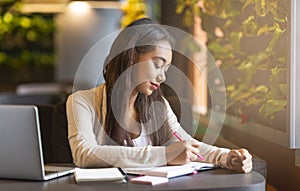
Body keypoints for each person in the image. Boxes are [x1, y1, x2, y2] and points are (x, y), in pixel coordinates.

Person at [66, 18, 253, 173]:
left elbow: (186, 143)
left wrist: (226, 157)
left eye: (166, 69)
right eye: (157, 64)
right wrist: (164, 155)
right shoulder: (82, 101)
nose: (162, 77)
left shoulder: (159, 105)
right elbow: (84, 154)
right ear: (132, 57)